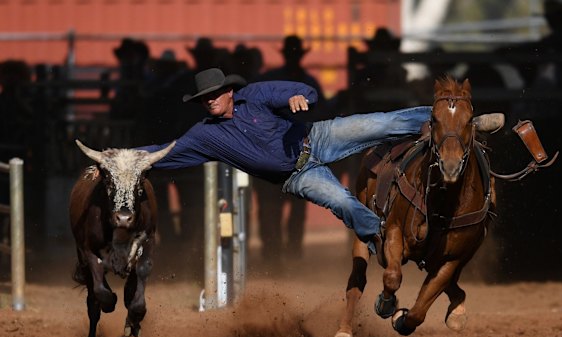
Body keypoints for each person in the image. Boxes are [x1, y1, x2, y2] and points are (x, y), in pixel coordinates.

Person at [137, 67, 503, 264]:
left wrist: (300, 98)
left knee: (382, 122)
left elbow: (301, 90)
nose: (210, 101)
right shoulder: (204, 136)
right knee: (344, 203)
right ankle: (380, 238)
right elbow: (166, 151)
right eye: (204, 99)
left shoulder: (255, 95)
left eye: (214, 94)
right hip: (297, 175)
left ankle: (458, 121)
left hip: (318, 135)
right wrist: (126, 159)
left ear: (229, 91)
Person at [253, 35, 326, 262]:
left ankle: (284, 254)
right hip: (284, 155)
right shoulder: (308, 83)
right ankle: (276, 254)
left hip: (291, 155)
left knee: (285, 210)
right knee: (273, 210)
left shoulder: (271, 80)